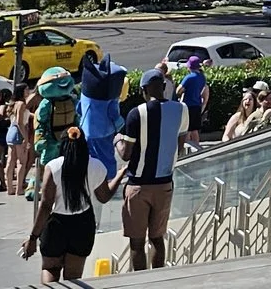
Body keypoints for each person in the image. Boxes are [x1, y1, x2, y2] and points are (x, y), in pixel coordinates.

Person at [114, 69, 188, 271]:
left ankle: (140, 282)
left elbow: (126, 154)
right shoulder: (182, 109)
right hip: (165, 184)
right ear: (164, 87)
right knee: (157, 238)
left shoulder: (136, 113)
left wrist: (117, 141)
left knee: (137, 242)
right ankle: (157, 279)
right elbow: (180, 145)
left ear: (143, 90)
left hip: (138, 185)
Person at [23, 125, 115, 284]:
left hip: (56, 226)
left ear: (63, 144)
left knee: (50, 270)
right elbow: (104, 196)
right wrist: (119, 176)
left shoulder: (53, 167)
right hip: (82, 225)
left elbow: (45, 205)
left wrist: (33, 238)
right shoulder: (96, 165)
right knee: (73, 277)